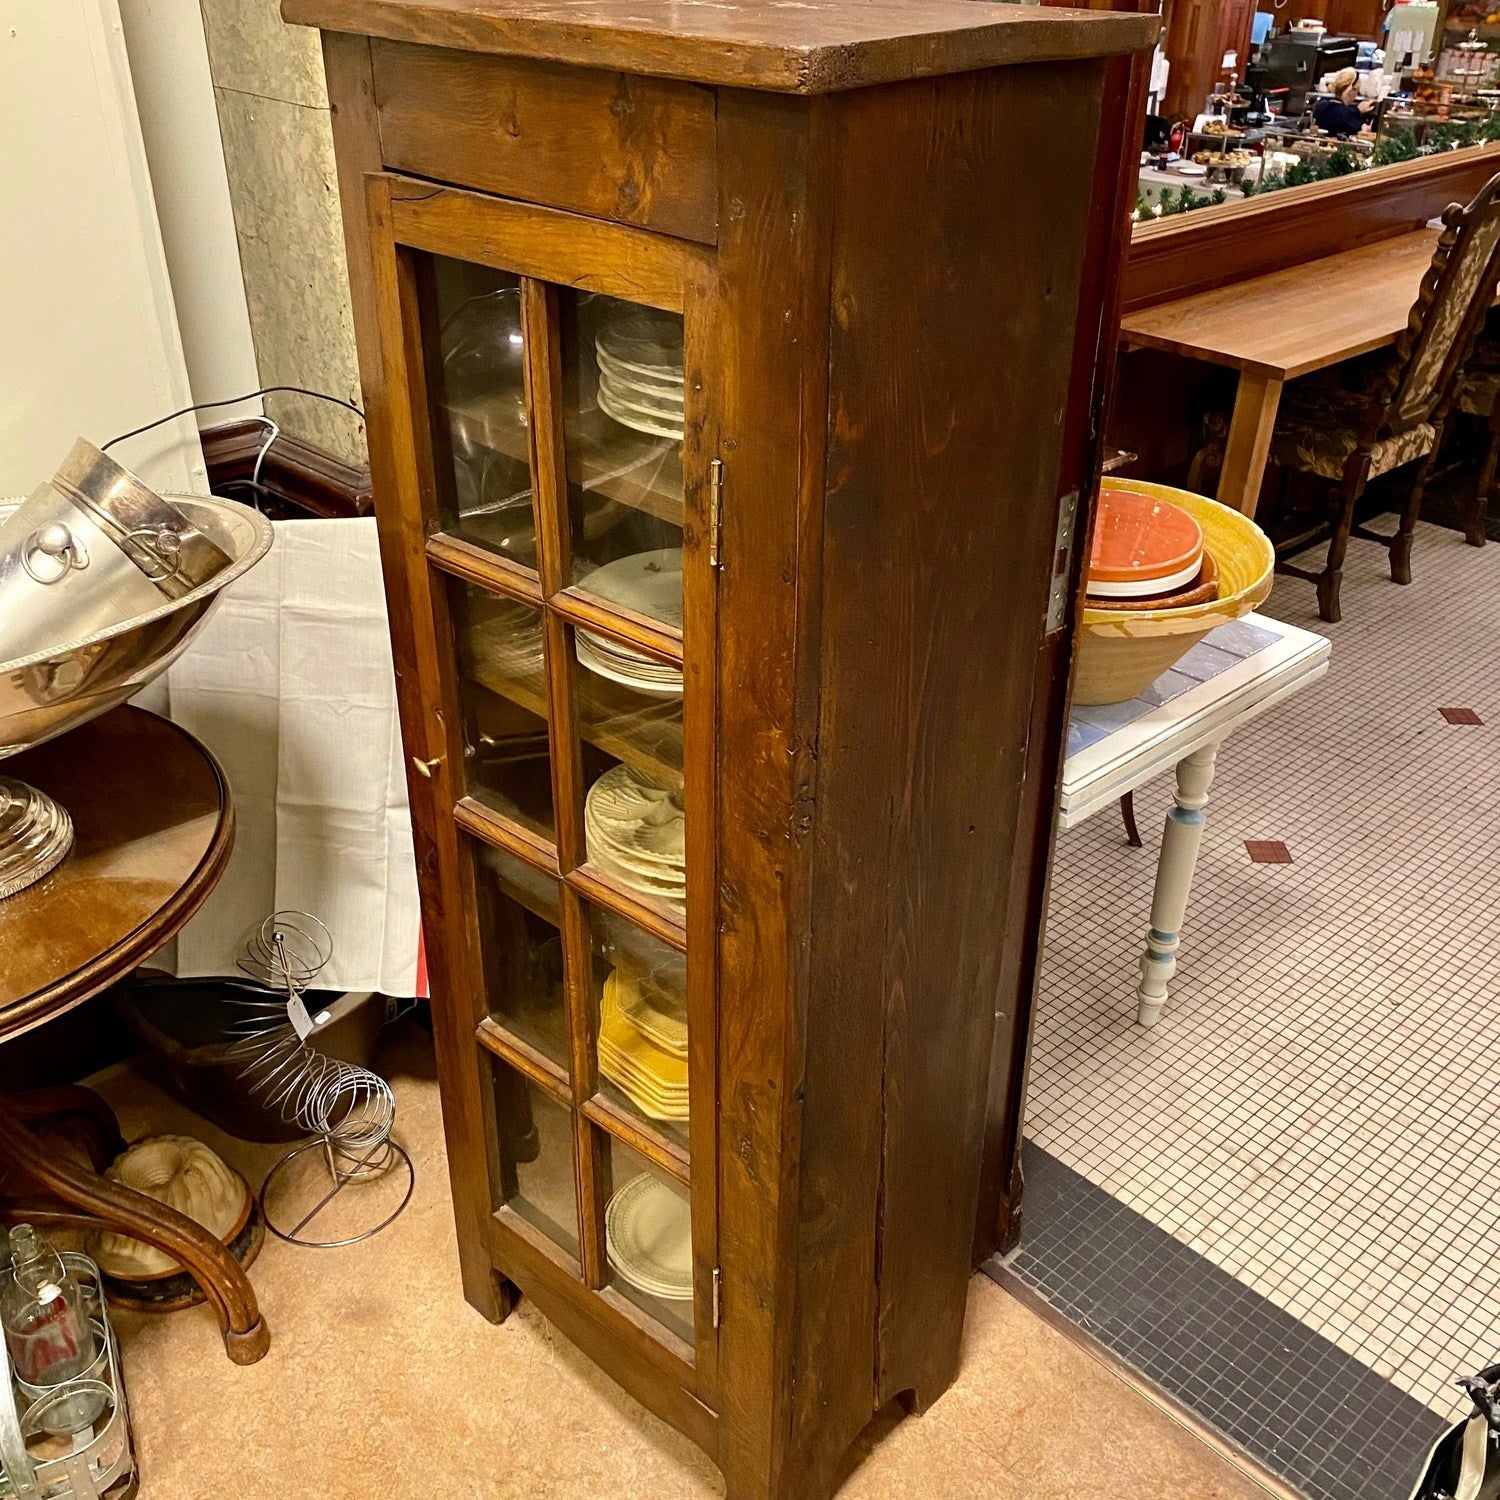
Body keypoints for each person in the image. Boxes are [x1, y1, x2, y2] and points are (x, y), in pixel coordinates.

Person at [1313, 67, 1375, 137]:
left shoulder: (1322, 103)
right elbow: (1360, 132)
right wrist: (1357, 112)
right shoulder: (1348, 114)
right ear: (1352, 90)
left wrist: (1357, 111)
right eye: (1357, 91)